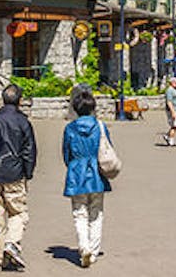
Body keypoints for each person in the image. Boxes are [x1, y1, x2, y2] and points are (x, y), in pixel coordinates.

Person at [0, 84, 38, 271]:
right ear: (19, 101)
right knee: (18, 213)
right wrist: (28, 172)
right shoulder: (23, 123)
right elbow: (29, 151)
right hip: (14, 174)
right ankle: (11, 244)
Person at [62, 85, 111, 268]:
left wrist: (73, 166)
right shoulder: (100, 126)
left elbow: (66, 154)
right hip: (96, 173)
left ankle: (84, 247)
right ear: (93, 107)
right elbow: (107, 149)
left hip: (76, 173)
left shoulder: (70, 129)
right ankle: (94, 250)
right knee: (96, 213)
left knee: (79, 213)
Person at [161, 76, 176, 146]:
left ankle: (167, 136)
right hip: (172, 110)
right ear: (172, 83)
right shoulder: (169, 90)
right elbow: (169, 102)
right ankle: (171, 140)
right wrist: (173, 111)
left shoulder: (174, 90)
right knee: (175, 125)